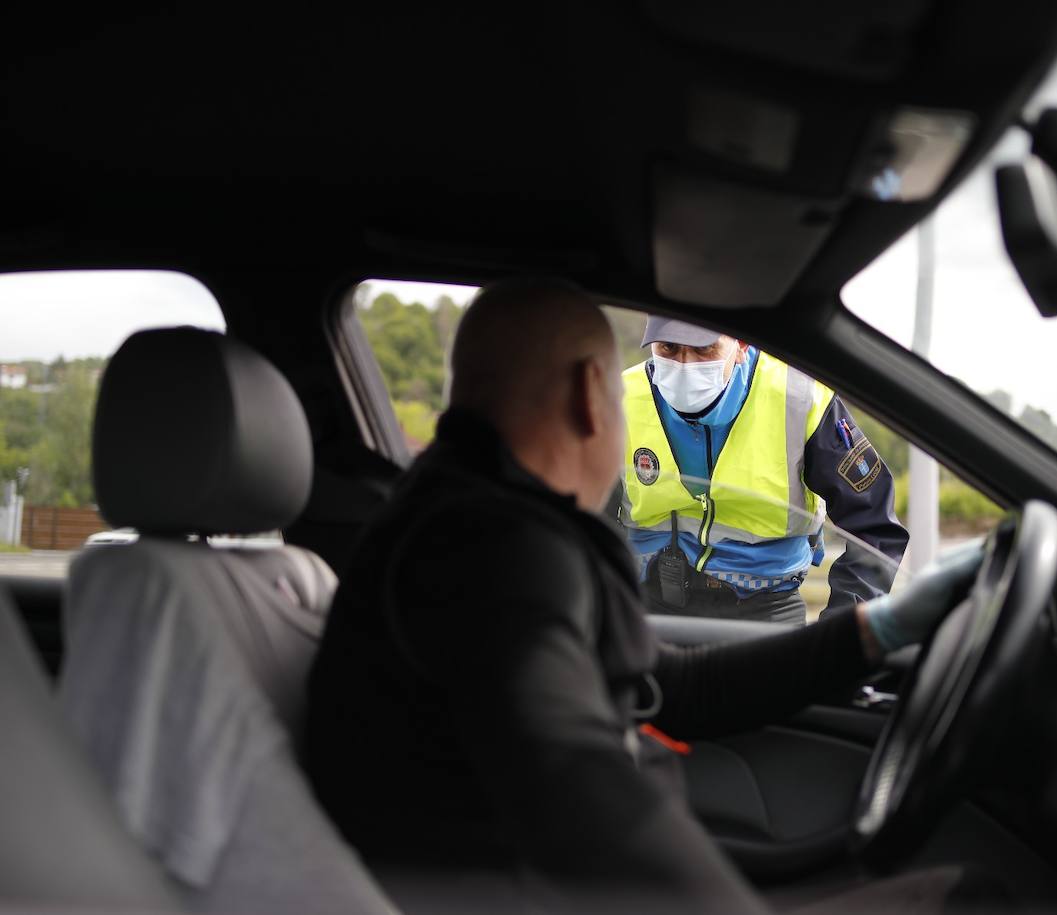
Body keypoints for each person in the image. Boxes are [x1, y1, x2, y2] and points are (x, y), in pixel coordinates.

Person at [305, 278, 983, 913]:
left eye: (700, 350)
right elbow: (579, 780)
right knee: (972, 897)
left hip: (555, 867)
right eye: (666, 356)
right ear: (588, 392)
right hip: (533, 887)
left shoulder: (475, 518)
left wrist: (878, 629)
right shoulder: (492, 548)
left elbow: (679, 686)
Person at [621, 318, 908, 624]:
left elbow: (874, 524)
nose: (684, 365)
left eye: (703, 349)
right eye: (668, 348)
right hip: (651, 609)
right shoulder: (620, 397)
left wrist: (841, 629)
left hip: (766, 611)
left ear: (741, 344)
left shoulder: (798, 397)